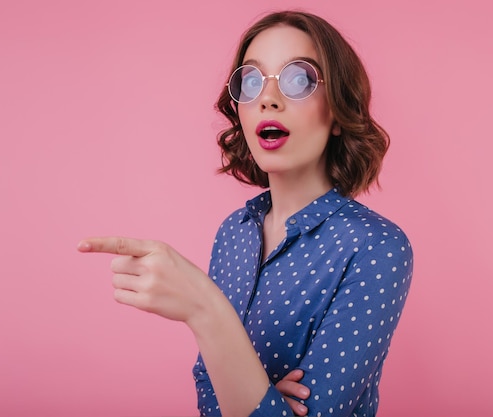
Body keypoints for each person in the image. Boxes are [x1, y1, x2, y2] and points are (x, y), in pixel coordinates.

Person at [78, 10, 413, 417]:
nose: (268, 98)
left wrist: (205, 309)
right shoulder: (234, 233)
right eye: (251, 81)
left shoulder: (377, 246)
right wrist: (268, 395)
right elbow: (208, 391)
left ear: (338, 112)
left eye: (298, 79)